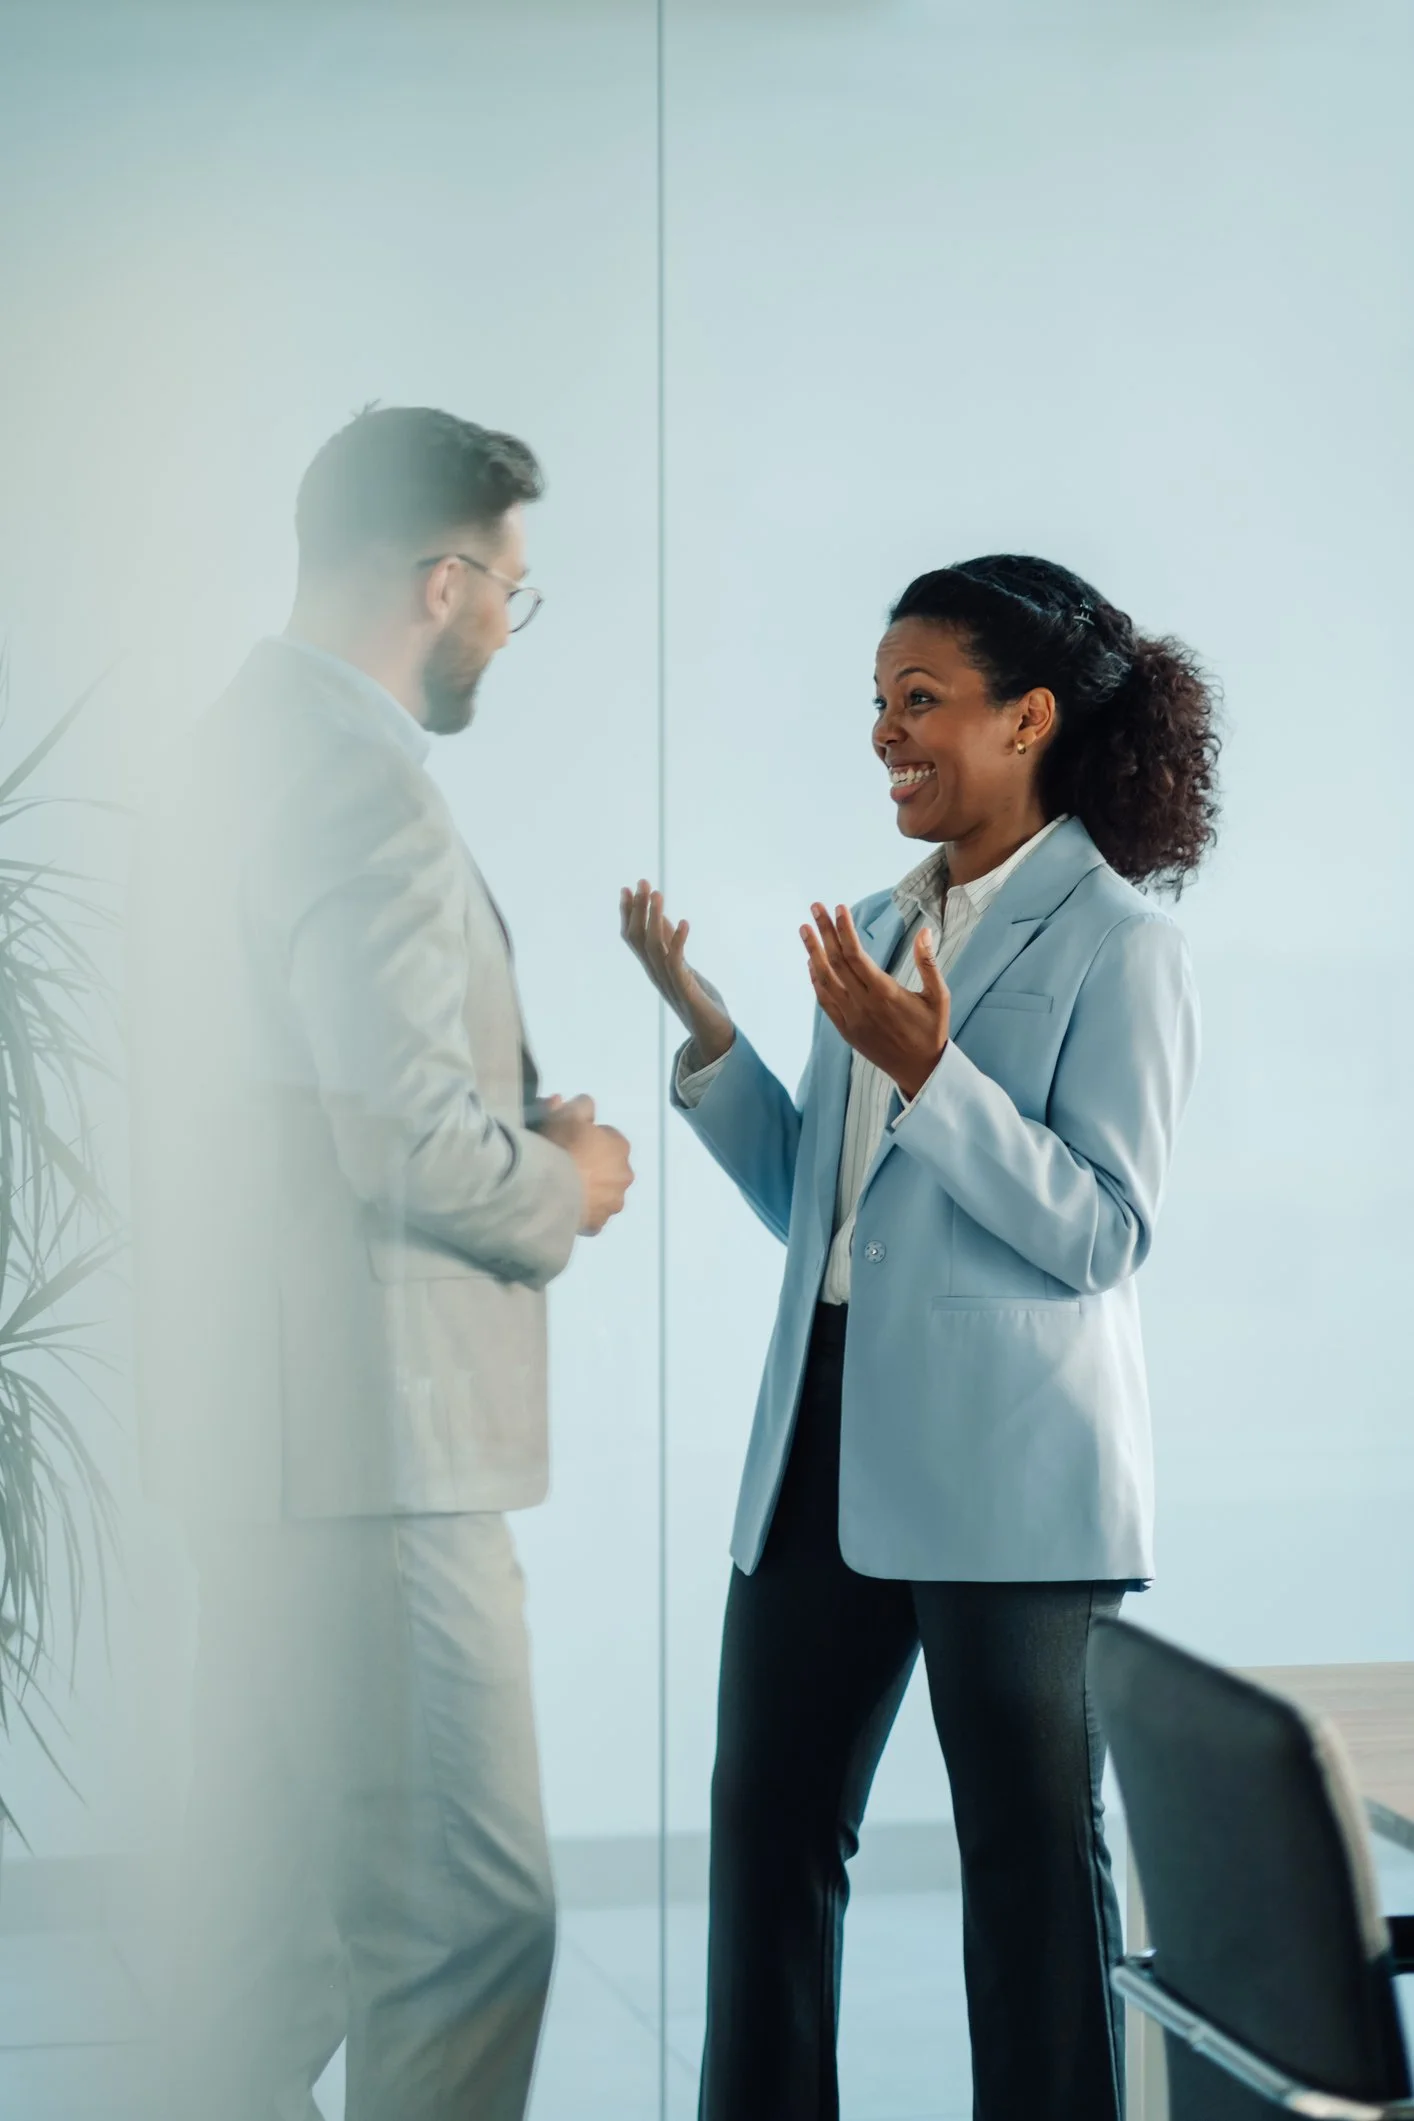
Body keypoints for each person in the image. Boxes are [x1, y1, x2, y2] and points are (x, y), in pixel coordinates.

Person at [621, 554, 1219, 2121]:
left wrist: (931, 1076)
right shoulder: (885, 925)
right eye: (876, 705)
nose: (886, 734)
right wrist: (711, 1038)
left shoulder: (1118, 942)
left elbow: (1099, 1231)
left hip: (1010, 1477)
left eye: (918, 701)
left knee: (1026, 1864)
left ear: (1026, 720)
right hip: (821, 1432)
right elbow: (822, 1218)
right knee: (765, 1830)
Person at [128, 406, 634, 2121]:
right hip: (377, 1457)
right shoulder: (364, 790)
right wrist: (567, 1174)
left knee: (270, 1949)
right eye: (511, 589)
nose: (508, 622)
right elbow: (407, 1142)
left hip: (257, 1448)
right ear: (441, 580)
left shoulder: (226, 752)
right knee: (466, 1935)